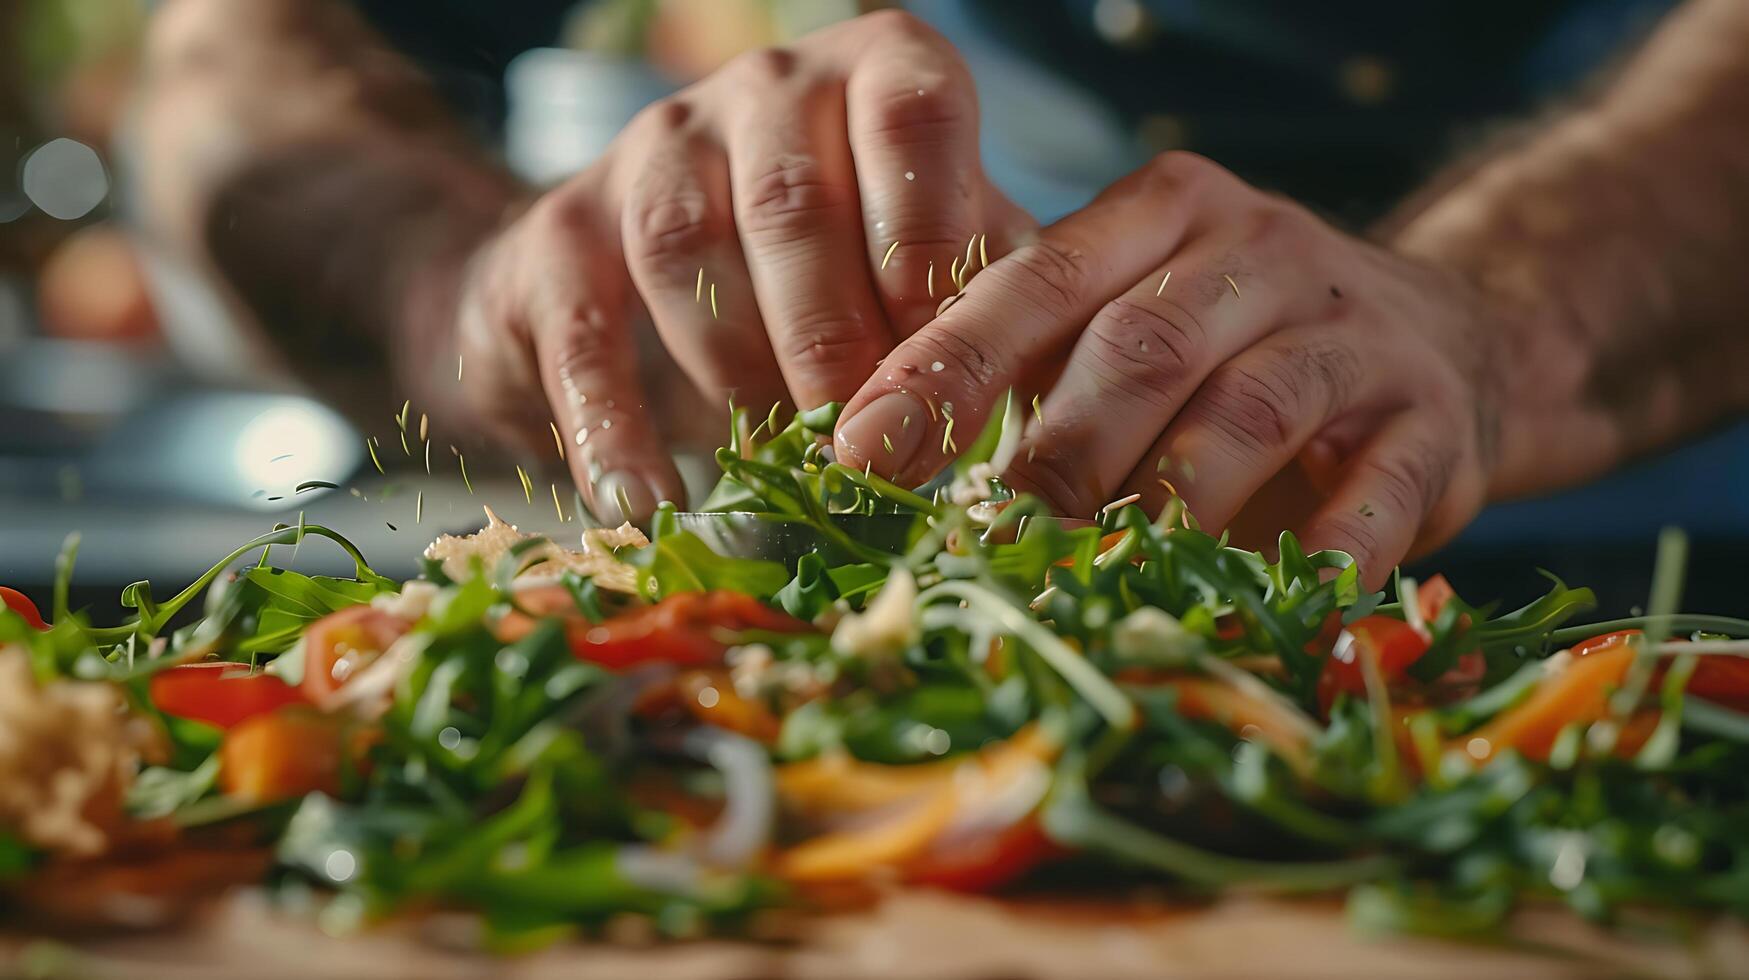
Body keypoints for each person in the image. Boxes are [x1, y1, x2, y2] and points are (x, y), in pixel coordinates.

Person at [134, 0, 1749, 587]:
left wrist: (1504, 332)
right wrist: (453, 285)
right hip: (956, 590)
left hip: (1668, 597)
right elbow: (218, 71)